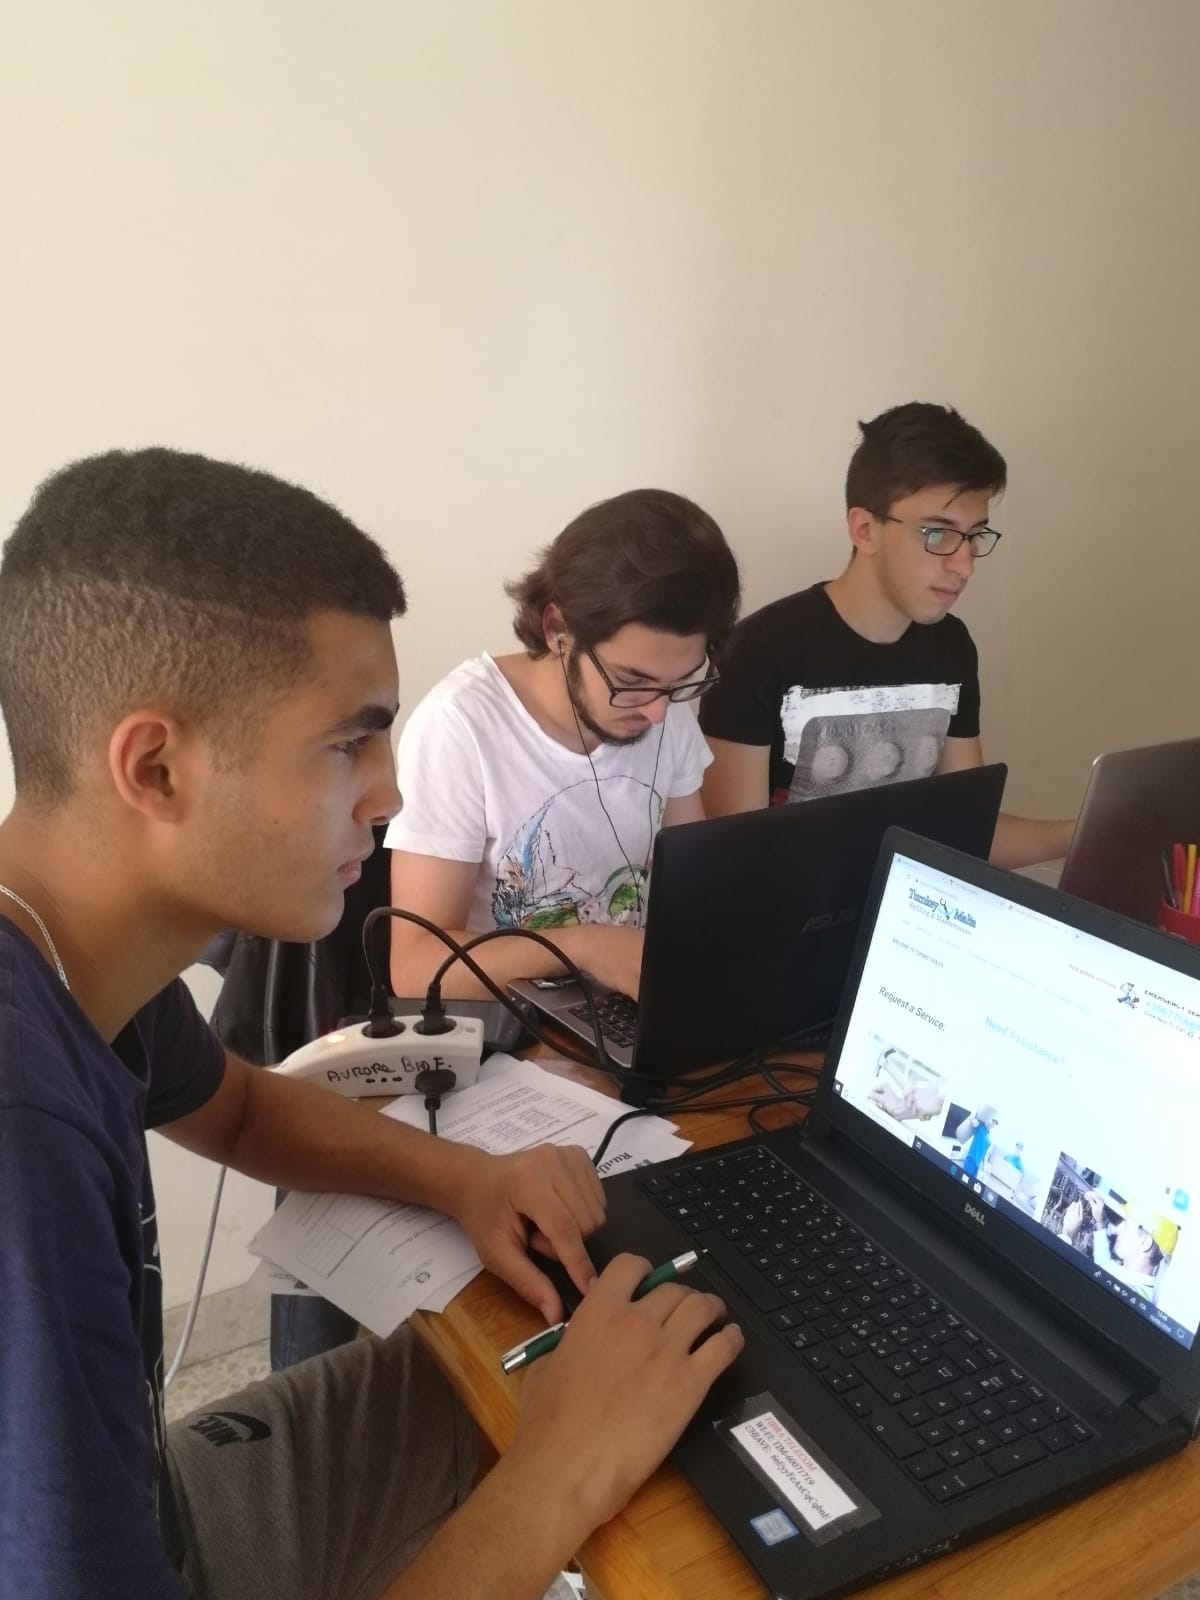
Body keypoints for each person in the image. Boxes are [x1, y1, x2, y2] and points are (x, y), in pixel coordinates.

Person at [0, 449, 744, 1600]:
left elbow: (241, 1109)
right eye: (351, 741)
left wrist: (470, 1181)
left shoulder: (64, 950)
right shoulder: (22, 1137)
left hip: (149, 1501)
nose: (390, 794)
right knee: (604, 1456)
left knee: (577, 1376)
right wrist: (557, 1476)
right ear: (155, 767)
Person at [387, 489, 741, 1001]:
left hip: (631, 1013)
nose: (657, 712)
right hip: (513, 1027)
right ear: (558, 630)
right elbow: (417, 965)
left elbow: (693, 891)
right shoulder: (460, 725)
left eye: (680, 682)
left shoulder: (666, 710)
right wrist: (588, 948)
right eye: (631, 681)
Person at [698, 402, 1074, 869]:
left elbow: (964, 831)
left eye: (974, 536)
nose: (964, 565)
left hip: (912, 907)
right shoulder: (756, 652)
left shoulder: (950, 647)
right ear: (864, 529)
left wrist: (1087, 832)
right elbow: (734, 864)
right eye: (938, 534)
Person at [1062, 1191, 1178, 1301]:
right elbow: (1104, 1265)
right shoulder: (1129, 1276)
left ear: (1145, 1243)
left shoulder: (1132, 1294)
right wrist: (1100, 1222)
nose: (1117, 1229)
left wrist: (1067, 1235)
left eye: (1126, 1225)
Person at [956, 1104, 999, 1179]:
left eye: (994, 1124)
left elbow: (985, 1155)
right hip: (971, 1160)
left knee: (970, 1183)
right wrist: (978, 1108)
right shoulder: (980, 1126)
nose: (993, 1124)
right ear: (988, 1119)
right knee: (963, 1180)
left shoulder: (989, 1139)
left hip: (977, 1165)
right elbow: (972, 1118)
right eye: (993, 1121)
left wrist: (984, 1169)